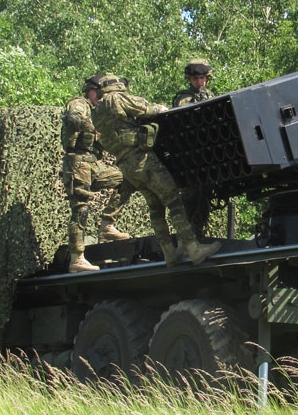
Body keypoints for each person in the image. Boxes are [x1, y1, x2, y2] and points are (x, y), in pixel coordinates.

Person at [91, 74, 221, 267]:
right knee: (173, 200)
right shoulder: (116, 98)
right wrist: (161, 109)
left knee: (155, 206)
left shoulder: (97, 112)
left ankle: (169, 252)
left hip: (125, 165)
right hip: (141, 159)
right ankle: (193, 248)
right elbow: (145, 109)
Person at [60, 74, 131, 273]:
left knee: (127, 178)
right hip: (77, 163)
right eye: (98, 92)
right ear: (90, 91)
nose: (101, 96)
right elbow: (74, 118)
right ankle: (77, 258)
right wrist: (87, 121)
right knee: (81, 209)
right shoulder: (80, 104)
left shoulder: (99, 112)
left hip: (94, 165)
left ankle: (107, 224)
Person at [172, 57, 216, 237]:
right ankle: (185, 234)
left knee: (205, 195)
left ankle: (198, 230)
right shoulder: (183, 98)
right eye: (195, 79)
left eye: (202, 78)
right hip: (189, 155)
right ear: (189, 80)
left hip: (207, 154)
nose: (199, 82)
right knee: (190, 197)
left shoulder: (211, 95)